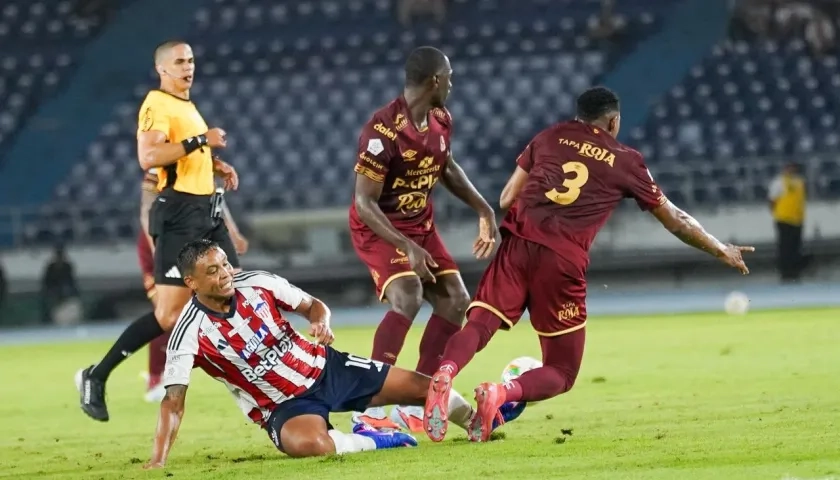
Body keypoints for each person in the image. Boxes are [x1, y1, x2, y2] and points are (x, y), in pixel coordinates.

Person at [422, 87, 755, 443]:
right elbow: (675, 220)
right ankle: (501, 393)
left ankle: (445, 372)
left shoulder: (549, 137)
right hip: (561, 260)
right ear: (613, 121)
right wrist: (720, 249)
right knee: (562, 370)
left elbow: (506, 198)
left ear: (579, 115)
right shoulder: (626, 160)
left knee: (478, 325)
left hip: (517, 245)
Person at [142, 240, 522, 469]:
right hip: (283, 405)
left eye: (225, 263)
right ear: (191, 282)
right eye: (212, 271)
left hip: (328, 368)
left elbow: (313, 305)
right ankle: (374, 439)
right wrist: (159, 459)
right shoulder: (188, 332)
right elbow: (174, 401)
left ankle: (477, 422)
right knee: (314, 447)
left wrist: (321, 322)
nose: (225, 273)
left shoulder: (258, 282)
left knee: (425, 388)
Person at [76, 40, 243, 422]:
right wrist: (202, 140)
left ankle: (258, 376)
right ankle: (96, 375)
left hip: (206, 212)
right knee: (168, 315)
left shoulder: (186, 106)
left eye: (191, 60)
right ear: (162, 69)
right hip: (179, 214)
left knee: (236, 290)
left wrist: (213, 163)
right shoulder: (157, 103)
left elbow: (181, 155)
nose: (188, 67)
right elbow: (148, 156)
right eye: (180, 61)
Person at [349, 46, 497, 431]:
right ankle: (368, 405)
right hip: (380, 227)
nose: (452, 84)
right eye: (449, 77)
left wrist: (484, 209)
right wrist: (406, 246)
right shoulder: (382, 132)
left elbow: (446, 167)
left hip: (421, 226)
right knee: (409, 295)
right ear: (434, 80)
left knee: (455, 300)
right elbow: (364, 203)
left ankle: (418, 401)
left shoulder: (441, 120)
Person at [767, 162, 806, 283]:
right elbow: (772, 200)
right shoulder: (779, 182)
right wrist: (777, 213)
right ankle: (785, 273)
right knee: (785, 247)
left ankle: (795, 272)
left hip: (797, 219)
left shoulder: (799, 182)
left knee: (795, 247)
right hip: (784, 219)